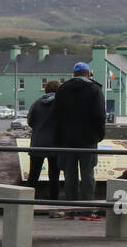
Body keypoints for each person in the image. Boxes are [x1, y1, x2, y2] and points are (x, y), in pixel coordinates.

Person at [49, 62, 106, 218]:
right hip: (88, 139)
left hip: (66, 139)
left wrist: (58, 137)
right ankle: (86, 211)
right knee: (88, 174)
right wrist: (99, 135)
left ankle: (70, 210)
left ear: (74, 74)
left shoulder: (62, 90)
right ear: (88, 74)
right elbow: (100, 116)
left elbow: (55, 116)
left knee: (70, 174)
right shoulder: (95, 89)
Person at [25, 80, 61, 202]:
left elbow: (30, 121)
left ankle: (27, 203)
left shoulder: (37, 103)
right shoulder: (61, 103)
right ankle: (53, 204)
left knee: (33, 175)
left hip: (37, 143)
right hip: (55, 143)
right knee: (54, 176)